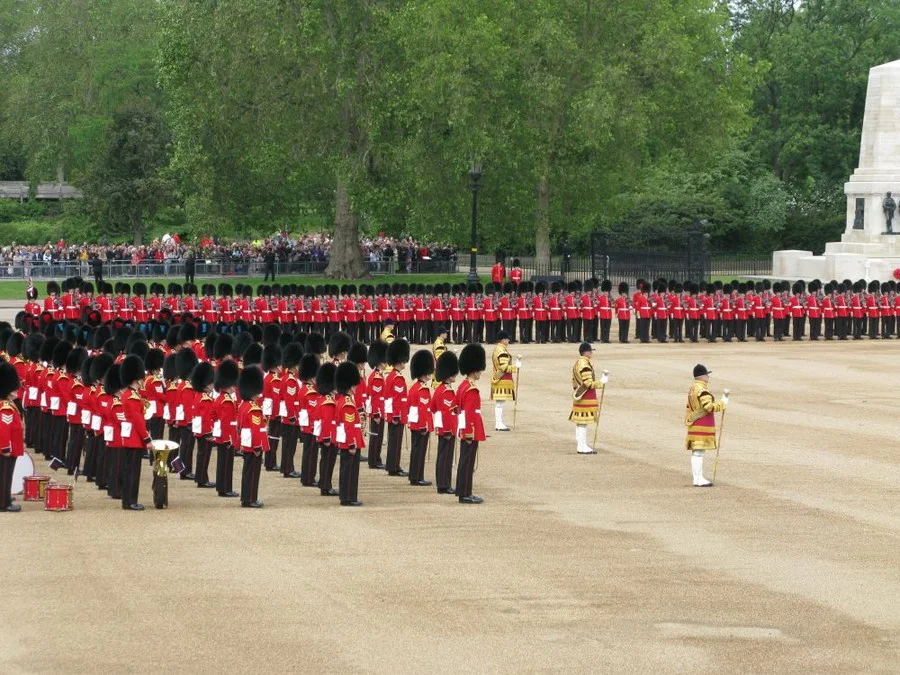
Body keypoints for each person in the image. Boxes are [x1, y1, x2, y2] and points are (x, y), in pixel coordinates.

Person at [684, 364, 728, 487]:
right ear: (702, 377)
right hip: (701, 424)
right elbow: (709, 407)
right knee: (698, 452)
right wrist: (722, 403)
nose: (708, 377)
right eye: (707, 375)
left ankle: (697, 478)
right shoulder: (702, 390)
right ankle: (698, 478)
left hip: (695, 423)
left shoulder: (693, 388)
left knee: (696, 453)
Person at [119, 355, 152, 510]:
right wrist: (146, 438)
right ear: (136, 379)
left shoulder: (129, 395)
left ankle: (127, 500)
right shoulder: (132, 397)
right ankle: (131, 501)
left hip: (130, 437)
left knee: (129, 470)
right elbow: (138, 420)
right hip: (134, 439)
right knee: (133, 471)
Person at [456, 343, 486, 504]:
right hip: (470, 430)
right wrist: (468, 432)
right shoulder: (471, 389)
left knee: (465, 461)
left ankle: (464, 490)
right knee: (467, 463)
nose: (481, 372)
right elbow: (468, 413)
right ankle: (465, 492)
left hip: (466, 428)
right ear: (475, 369)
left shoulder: (462, 386)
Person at [334, 362, 364, 506]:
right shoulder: (348, 403)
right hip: (350, 440)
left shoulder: (341, 400)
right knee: (350, 471)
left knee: (346, 469)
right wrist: (352, 443)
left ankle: (346, 496)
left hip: (345, 440)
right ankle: (349, 497)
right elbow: (349, 426)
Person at [236, 365, 267, 507]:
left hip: (246, 443)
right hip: (253, 444)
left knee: (247, 472)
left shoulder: (243, 406)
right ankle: (251, 498)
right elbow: (256, 430)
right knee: (253, 473)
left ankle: (245, 497)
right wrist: (258, 446)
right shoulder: (254, 409)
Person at [569, 342, 607, 455]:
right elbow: (588, 383)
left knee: (581, 423)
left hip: (580, 395)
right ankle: (581, 446)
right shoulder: (584, 364)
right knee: (583, 422)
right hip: (585, 397)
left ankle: (582, 445)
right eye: (590, 351)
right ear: (586, 352)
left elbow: (574, 382)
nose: (591, 353)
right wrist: (601, 383)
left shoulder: (578, 363)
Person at [430, 351, 459, 495]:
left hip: (443, 427)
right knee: (445, 457)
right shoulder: (446, 392)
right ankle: (443, 484)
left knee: (444, 456)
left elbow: (433, 408)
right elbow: (447, 413)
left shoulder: (439, 389)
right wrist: (448, 430)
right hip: (447, 429)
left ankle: (443, 483)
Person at [406, 349, 435, 487]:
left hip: (415, 423)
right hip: (420, 425)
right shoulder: (422, 389)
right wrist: (424, 425)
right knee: (419, 452)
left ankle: (414, 475)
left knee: (416, 451)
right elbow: (422, 410)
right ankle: (417, 477)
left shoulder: (414, 387)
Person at [383, 339, 410, 476]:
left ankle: (393, 465)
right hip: (396, 415)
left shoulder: (391, 376)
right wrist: (396, 415)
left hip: (393, 414)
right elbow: (396, 400)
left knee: (395, 441)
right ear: (401, 361)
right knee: (395, 442)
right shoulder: (397, 378)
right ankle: (393, 467)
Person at [0, 362, 24, 512]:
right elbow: (3, 430)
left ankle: (5, 496)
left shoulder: (6, 404)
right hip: (6, 450)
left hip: (8, 448)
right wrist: (5, 448)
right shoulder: (6, 408)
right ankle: (3, 503)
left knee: (6, 476)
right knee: (4, 476)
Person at [489, 331, 518, 431]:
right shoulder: (502, 351)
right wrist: (515, 368)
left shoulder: (499, 349)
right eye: (507, 339)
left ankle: (499, 423)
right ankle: (498, 423)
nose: (508, 340)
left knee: (500, 403)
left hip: (499, 377)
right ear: (503, 340)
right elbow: (504, 367)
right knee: (500, 403)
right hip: (502, 379)